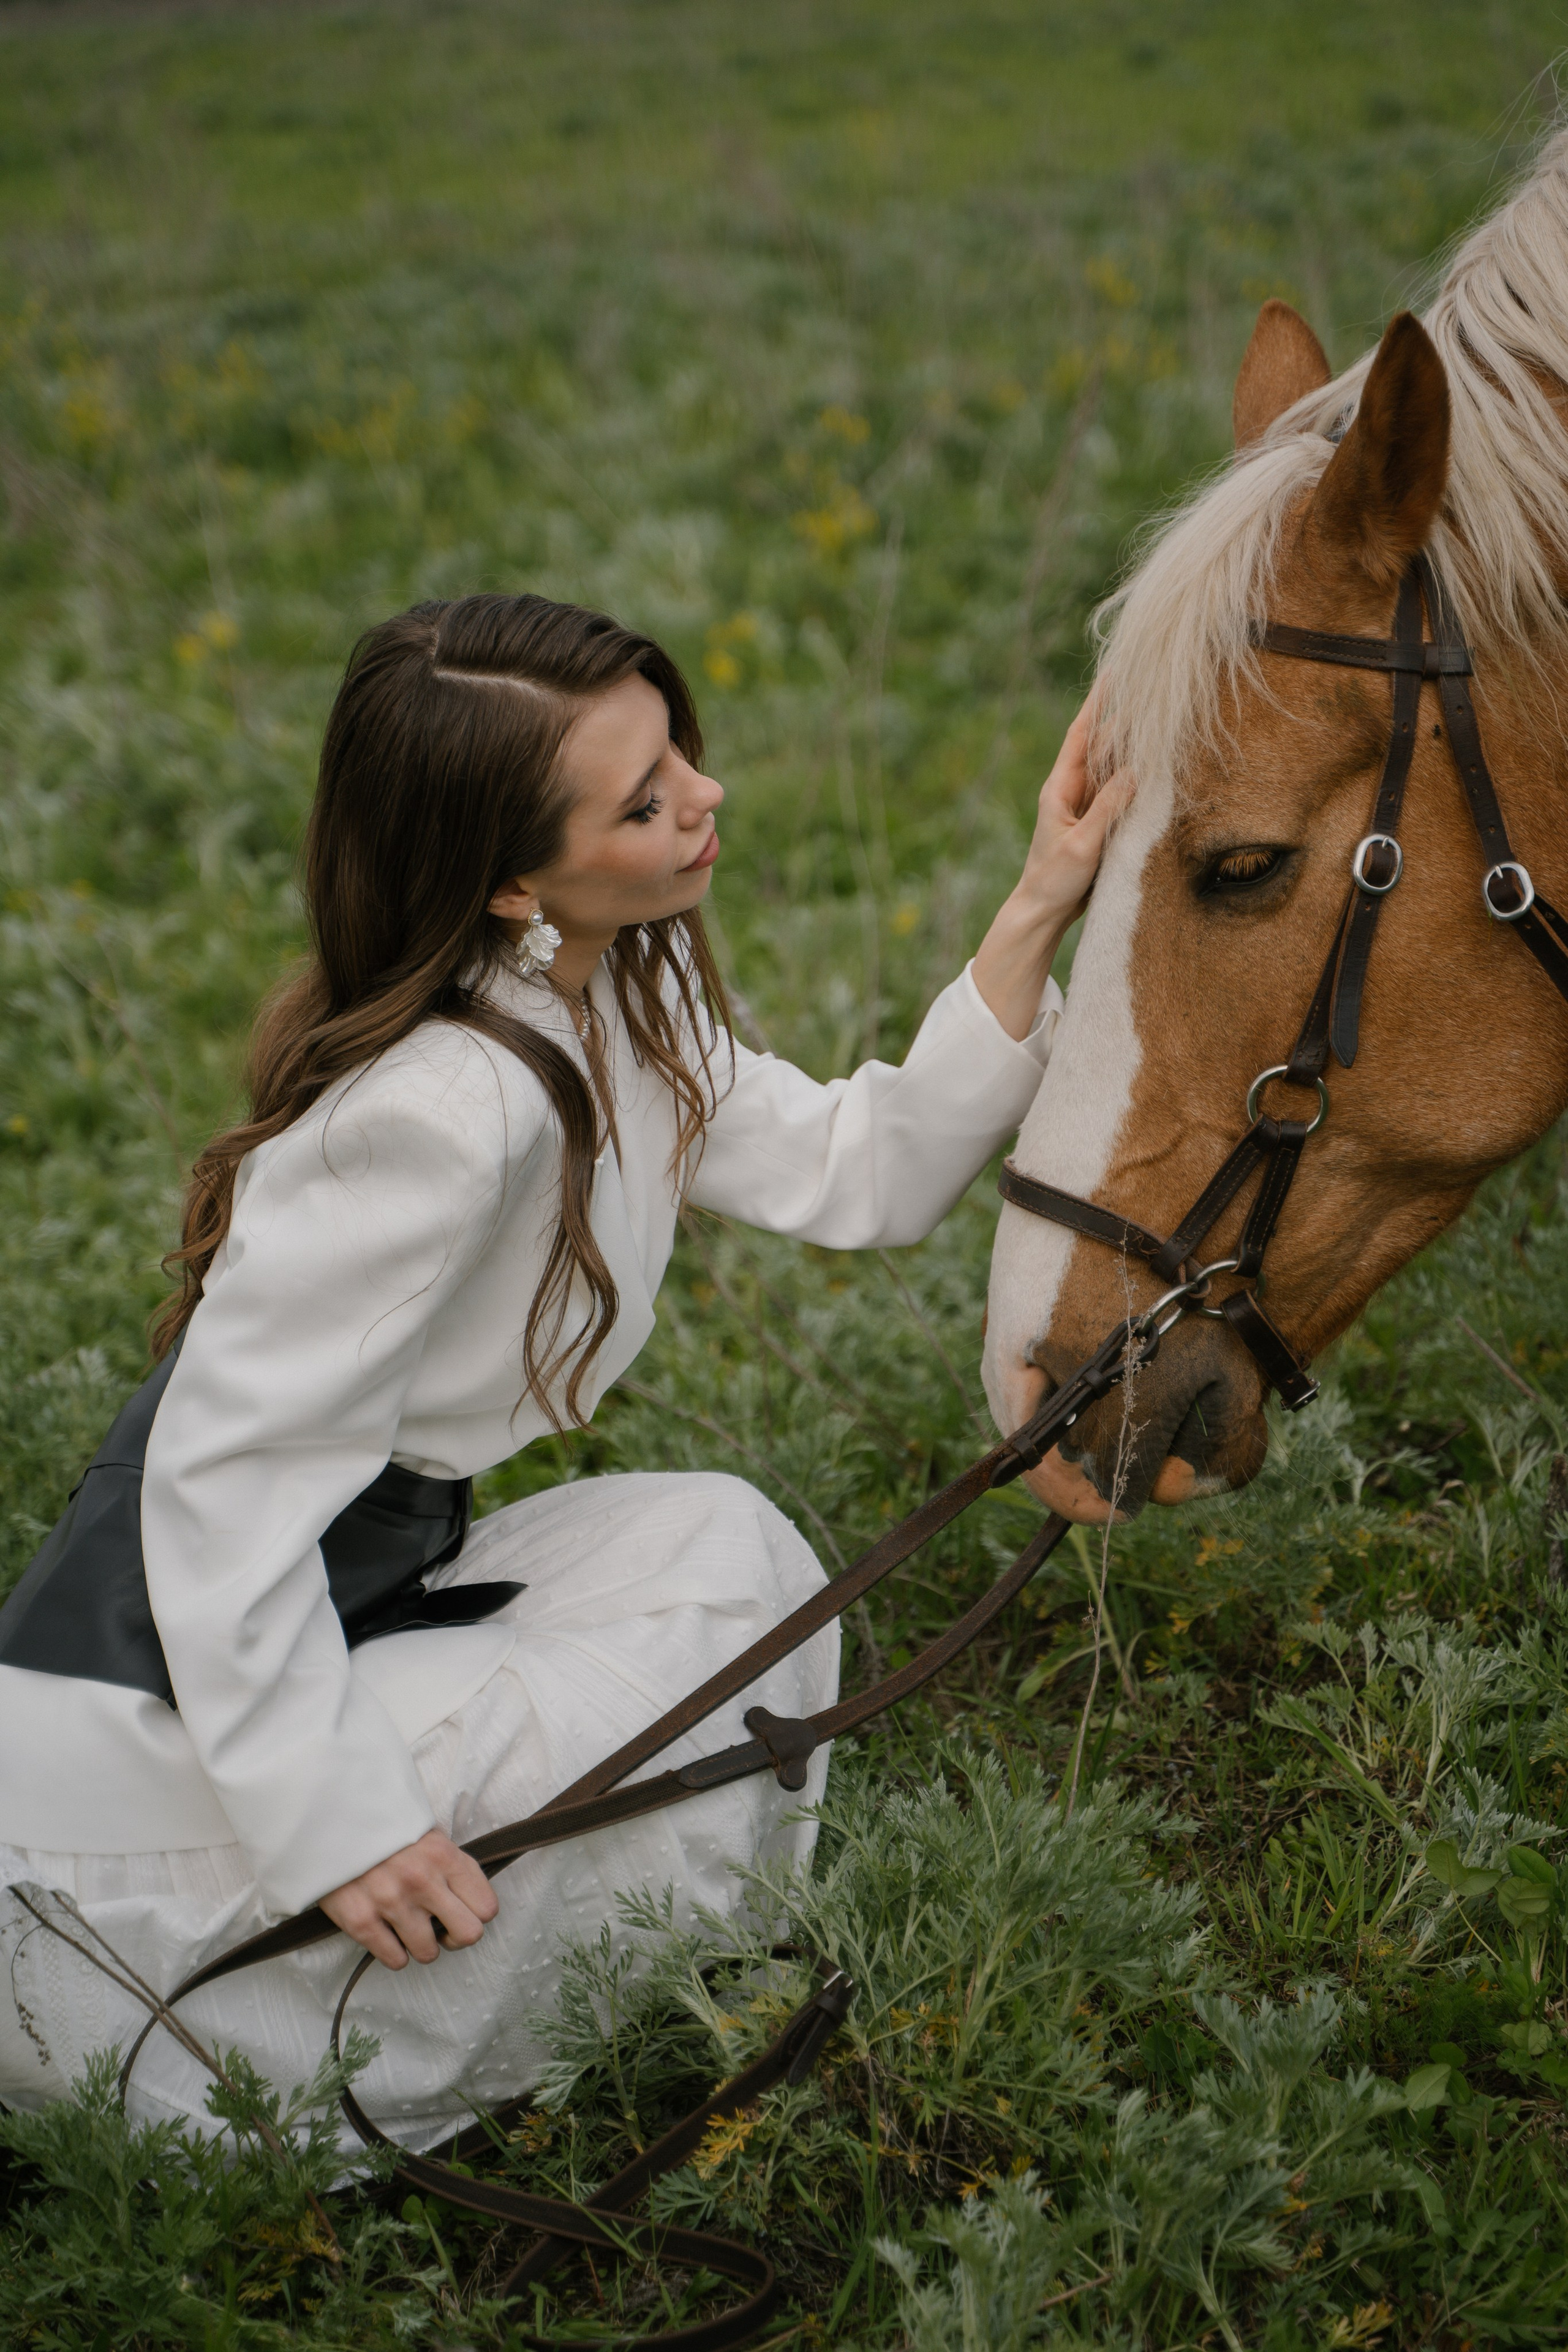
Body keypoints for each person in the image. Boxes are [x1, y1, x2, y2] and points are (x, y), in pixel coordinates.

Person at [0, 594, 1117, 2148]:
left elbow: (857, 1170)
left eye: (680, 755)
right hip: (151, 1705)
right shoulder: (441, 1111)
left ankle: (559, 1944)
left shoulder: (614, 992)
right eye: (644, 802)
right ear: (512, 880)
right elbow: (220, 1488)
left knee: (724, 1550)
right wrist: (341, 1823)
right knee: (617, 1717)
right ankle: (229, 2036)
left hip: (359, 1583)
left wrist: (1041, 897)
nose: (705, 797)